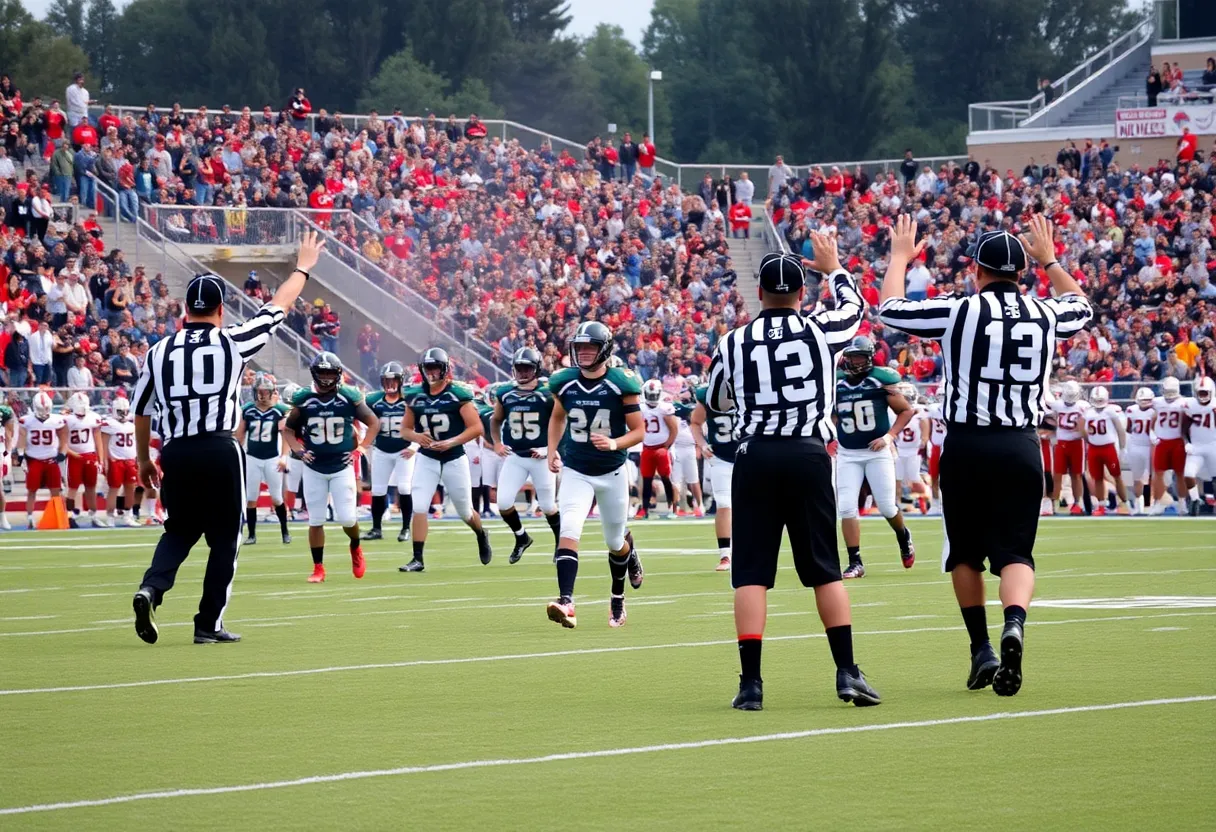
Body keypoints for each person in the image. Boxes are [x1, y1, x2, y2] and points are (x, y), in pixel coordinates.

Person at [878, 212, 1093, 696]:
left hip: (968, 443)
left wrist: (898, 257)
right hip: (1020, 444)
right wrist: (1052, 261)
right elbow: (1082, 308)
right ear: (1023, 274)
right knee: (1016, 553)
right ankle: (1013, 622)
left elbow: (890, 309)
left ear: (976, 270)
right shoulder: (1044, 312)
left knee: (964, 555)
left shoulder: (960, 310)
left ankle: (981, 649)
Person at [706, 237, 879, 712]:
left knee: (751, 575)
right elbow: (855, 308)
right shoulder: (821, 329)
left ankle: (752, 684)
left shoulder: (733, 340)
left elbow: (717, 400)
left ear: (758, 293)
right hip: (807, 454)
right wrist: (835, 266)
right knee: (825, 570)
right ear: (802, 293)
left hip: (756, 455)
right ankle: (846, 672)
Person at [128, 231, 324, 645]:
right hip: (219, 449)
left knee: (178, 530)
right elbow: (279, 305)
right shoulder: (232, 341)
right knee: (225, 538)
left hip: (176, 451)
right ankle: (207, 623)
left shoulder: (158, 351)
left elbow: (141, 410)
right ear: (221, 308)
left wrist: (145, 459)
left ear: (185, 309)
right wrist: (303, 266)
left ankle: (152, 588)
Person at [546, 322, 645, 629]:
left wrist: (615, 442)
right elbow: (557, 418)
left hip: (612, 470)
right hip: (577, 469)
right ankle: (566, 601)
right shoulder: (564, 382)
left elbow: (639, 431)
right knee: (569, 529)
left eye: (590, 346)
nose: (583, 352)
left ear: (604, 349)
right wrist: (552, 450)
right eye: (580, 347)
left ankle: (617, 596)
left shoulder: (621, 382)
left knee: (615, 541)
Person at [283, 352, 377, 582]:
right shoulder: (304, 398)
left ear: (338, 374)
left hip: (341, 466)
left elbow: (373, 422)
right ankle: (318, 568)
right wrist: (298, 450)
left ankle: (355, 546)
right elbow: (288, 430)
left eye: (329, 373)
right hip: (314, 466)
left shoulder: (349, 396)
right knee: (315, 520)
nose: (326, 378)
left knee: (347, 519)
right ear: (314, 373)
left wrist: (361, 448)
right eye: (322, 373)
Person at [398, 347, 493, 572]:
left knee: (465, 511)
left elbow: (477, 428)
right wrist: (417, 437)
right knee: (419, 505)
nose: (431, 373)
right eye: (428, 368)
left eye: (435, 368)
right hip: (427, 457)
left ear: (445, 369)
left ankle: (481, 533)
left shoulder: (457, 393)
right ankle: (417, 558)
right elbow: (404, 430)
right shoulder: (415, 395)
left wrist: (452, 442)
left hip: (453, 457)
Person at [833, 336, 918, 580]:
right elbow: (834, 416)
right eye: (851, 357)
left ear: (869, 358)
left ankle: (903, 536)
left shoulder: (879, 381)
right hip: (848, 453)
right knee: (847, 507)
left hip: (876, 452)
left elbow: (906, 410)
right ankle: (855, 561)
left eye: (858, 357)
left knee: (886, 505)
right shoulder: (837, 384)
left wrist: (889, 437)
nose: (854, 361)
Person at [490, 347, 561, 563]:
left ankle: (561, 545)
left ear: (537, 369)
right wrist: (497, 443)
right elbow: (495, 420)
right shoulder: (505, 393)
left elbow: (561, 421)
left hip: (541, 456)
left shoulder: (548, 392)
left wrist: (551, 450)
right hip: (516, 456)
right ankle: (521, 537)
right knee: (503, 503)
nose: (522, 372)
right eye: (519, 368)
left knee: (548, 506)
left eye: (526, 368)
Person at [235, 373, 292, 545]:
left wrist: (284, 457)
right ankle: (251, 535)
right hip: (252, 457)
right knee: (251, 497)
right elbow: (239, 435)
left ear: (272, 392)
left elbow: (287, 435)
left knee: (276, 498)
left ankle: (285, 531)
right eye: (259, 391)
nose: (262, 394)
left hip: (272, 458)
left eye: (266, 391)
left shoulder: (280, 410)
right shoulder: (248, 410)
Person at [363, 361, 417, 543]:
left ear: (401, 381)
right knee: (377, 490)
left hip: (404, 450)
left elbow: (422, 424)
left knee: (404, 487)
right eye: (386, 381)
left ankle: (405, 528)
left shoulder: (409, 400)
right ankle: (376, 528)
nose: (390, 384)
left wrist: (414, 447)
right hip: (382, 450)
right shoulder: (374, 400)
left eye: (393, 380)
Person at [690, 383, 737, 571]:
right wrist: (701, 444)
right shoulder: (707, 393)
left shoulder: (752, 384)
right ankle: (725, 555)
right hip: (721, 457)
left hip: (750, 454)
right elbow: (695, 422)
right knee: (724, 503)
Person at [16, 391, 68, 530]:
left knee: (56, 490)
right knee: (32, 490)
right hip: (34, 459)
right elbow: (21, 438)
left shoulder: (57, 420)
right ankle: (30, 517)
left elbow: (64, 437)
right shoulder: (26, 420)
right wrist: (21, 454)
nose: (44, 412)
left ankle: (57, 515)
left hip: (51, 459)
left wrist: (62, 452)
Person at [1083, 386, 1129, 515]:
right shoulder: (1088, 412)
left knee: (1117, 476)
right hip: (1094, 449)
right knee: (1097, 478)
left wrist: (1122, 448)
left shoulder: (1111, 411)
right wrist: (1088, 441)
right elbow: (1085, 432)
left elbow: (1120, 430)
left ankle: (1124, 503)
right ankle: (1101, 505)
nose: (1098, 402)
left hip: (1108, 448)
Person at [637, 378, 678, 519]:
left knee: (666, 478)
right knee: (646, 479)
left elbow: (674, 428)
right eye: (651, 395)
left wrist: (667, 446)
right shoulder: (641, 407)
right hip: (647, 447)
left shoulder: (665, 407)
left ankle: (672, 508)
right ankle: (645, 509)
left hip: (662, 447)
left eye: (655, 395)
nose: (653, 398)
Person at [1148, 377, 1189, 514]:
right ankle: (1159, 502)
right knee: (1158, 474)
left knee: (1180, 474)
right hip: (1162, 441)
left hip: (1177, 441)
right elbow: (1152, 418)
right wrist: (1152, 432)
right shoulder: (1158, 402)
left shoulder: (1184, 403)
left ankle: (1183, 503)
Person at [64, 392, 105, 528]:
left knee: (91, 487)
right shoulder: (67, 419)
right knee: (73, 488)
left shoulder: (93, 418)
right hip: (74, 456)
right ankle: (69, 515)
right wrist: (70, 453)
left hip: (90, 455)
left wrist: (100, 458)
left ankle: (93, 515)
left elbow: (98, 439)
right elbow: (62, 441)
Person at [1049, 381, 1089, 514]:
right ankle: (1054, 503)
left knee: (1076, 475)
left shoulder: (1083, 406)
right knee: (1058, 475)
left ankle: (1078, 503)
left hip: (1077, 443)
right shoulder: (1058, 404)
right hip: (1062, 443)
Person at [100, 398, 140, 527]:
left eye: (125, 411)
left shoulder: (131, 425)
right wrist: (105, 460)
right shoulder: (109, 424)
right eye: (120, 411)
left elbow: (136, 444)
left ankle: (127, 515)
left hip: (130, 460)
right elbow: (104, 444)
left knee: (130, 489)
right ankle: (110, 516)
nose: (123, 414)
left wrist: (138, 458)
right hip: (116, 460)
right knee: (114, 489)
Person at [1183, 377, 1216, 516]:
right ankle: (1195, 500)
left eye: (1205, 393)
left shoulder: (1214, 405)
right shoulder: (1190, 405)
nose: (1202, 396)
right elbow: (1184, 427)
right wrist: (1187, 443)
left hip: (1213, 445)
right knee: (1188, 474)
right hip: (1196, 446)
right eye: (1200, 393)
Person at [1124, 387, 1156, 514]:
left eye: (1147, 400)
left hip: (1150, 445)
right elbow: (1129, 428)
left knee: (1151, 476)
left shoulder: (1155, 411)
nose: (1145, 403)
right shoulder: (1132, 410)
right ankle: (1139, 504)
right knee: (1137, 477)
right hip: (1136, 445)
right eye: (1143, 400)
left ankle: (1150, 503)